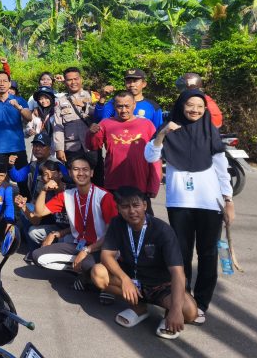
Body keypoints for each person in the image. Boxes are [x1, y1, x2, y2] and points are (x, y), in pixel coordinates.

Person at [144, 89, 234, 325]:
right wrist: (163, 133)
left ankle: (201, 303)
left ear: (205, 110)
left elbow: (222, 170)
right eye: (190, 105)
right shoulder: (168, 128)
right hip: (179, 203)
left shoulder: (210, 131)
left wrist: (228, 200)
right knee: (180, 256)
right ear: (181, 106)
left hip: (209, 204)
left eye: (200, 107)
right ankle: (183, 299)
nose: (195, 110)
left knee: (207, 254)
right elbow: (150, 156)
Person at [92, 186, 198, 339]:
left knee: (190, 312)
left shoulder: (162, 230)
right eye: (125, 207)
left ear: (145, 205)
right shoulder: (117, 223)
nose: (131, 211)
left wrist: (175, 310)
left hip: (161, 286)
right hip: (133, 281)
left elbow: (177, 272)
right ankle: (139, 308)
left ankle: (168, 314)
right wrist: (125, 279)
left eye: (136, 205)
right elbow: (106, 255)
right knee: (97, 273)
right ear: (118, 209)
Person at [31, 158, 118, 297]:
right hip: (78, 244)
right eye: (76, 169)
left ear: (91, 173)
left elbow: (112, 235)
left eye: (85, 169)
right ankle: (86, 276)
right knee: (38, 256)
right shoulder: (67, 195)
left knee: (87, 264)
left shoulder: (104, 197)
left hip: (101, 248)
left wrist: (87, 250)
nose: (81, 173)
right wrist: (44, 190)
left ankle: (95, 279)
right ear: (70, 173)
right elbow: (38, 212)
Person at [87, 91, 159, 202]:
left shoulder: (147, 125)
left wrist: (154, 185)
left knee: (139, 212)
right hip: (113, 182)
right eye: (119, 106)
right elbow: (93, 146)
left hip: (140, 183)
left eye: (127, 106)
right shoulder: (105, 123)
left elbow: (155, 157)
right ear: (114, 106)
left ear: (134, 105)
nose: (124, 110)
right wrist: (91, 134)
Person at [0, 71, 31, 191]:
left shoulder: (19, 100)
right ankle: (3, 202)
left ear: (9, 83)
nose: (2, 84)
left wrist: (18, 107)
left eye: (5, 81)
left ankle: (26, 202)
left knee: (23, 182)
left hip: (18, 148)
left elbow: (29, 117)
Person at [52, 67, 98, 183]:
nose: (73, 82)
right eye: (69, 80)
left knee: (96, 180)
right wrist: (59, 149)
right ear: (65, 82)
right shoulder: (60, 101)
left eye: (76, 79)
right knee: (74, 182)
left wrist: (85, 106)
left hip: (91, 146)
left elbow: (101, 116)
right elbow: (58, 126)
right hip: (72, 149)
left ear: (81, 79)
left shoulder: (93, 96)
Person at [95, 68, 163, 129]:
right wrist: (103, 97)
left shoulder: (154, 107)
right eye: (128, 81)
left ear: (144, 84)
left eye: (135, 81)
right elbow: (99, 121)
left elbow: (158, 132)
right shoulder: (116, 102)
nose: (132, 85)